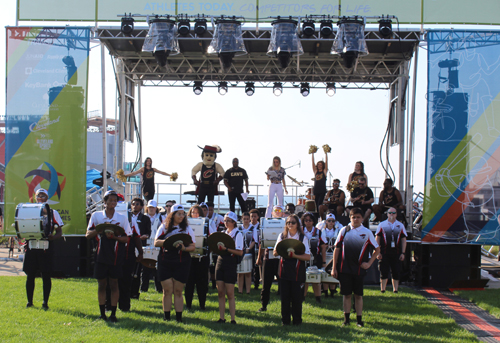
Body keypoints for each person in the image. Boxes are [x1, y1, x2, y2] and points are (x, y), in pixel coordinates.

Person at [86, 190, 132, 322]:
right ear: (104, 202)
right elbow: (88, 235)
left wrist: (115, 237)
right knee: (101, 284)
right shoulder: (96, 216)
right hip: (101, 255)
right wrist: (99, 230)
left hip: (116, 256)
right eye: (110, 200)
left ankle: (113, 313)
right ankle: (102, 313)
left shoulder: (122, 218)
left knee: (114, 284)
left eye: (115, 200)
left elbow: (127, 238)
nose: (113, 203)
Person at [331, 207, 380, 327]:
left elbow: (377, 249)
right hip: (344, 268)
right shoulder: (344, 230)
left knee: (358, 295)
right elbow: (336, 249)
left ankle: (359, 320)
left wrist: (369, 263)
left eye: (358, 217)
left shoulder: (367, 232)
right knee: (346, 294)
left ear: (362, 218)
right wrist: (334, 267)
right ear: (350, 218)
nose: (356, 219)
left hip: (359, 269)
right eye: (353, 217)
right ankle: (346, 320)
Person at [154, 204, 196, 322]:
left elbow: (193, 246)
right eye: (179, 214)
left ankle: (179, 318)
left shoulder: (187, 229)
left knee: (178, 291)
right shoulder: (163, 227)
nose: (181, 216)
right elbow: (156, 242)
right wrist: (168, 242)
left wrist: (184, 248)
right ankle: (166, 317)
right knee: (167, 290)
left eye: (183, 214)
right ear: (172, 215)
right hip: (165, 260)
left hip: (182, 262)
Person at [23, 188, 63, 310]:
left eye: (43, 196)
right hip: (32, 246)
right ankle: (29, 302)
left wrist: (52, 237)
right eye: (38, 196)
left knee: (46, 275)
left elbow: (59, 232)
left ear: (47, 198)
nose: (40, 198)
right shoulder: (28, 211)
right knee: (30, 275)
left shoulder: (53, 212)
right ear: (35, 197)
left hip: (46, 247)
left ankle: (45, 302)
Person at [273, 214, 310, 326]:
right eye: (288, 222)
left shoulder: (303, 238)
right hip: (284, 271)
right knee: (285, 297)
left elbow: (307, 256)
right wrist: (283, 250)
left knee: (297, 298)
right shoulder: (282, 236)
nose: (290, 224)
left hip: (297, 271)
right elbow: (275, 252)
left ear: (297, 224)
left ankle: (297, 321)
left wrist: (294, 256)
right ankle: (285, 320)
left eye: (293, 222)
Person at [215, 211, 244, 324]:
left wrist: (226, 249)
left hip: (230, 262)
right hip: (220, 261)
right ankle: (221, 317)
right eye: (225, 220)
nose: (225, 223)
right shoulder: (223, 233)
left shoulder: (238, 234)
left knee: (230, 293)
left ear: (234, 222)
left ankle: (233, 318)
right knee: (220, 292)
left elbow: (240, 252)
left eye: (228, 221)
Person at [257, 205, 283, 312]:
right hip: (268, 257)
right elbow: (262, 242)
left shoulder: (286, 224)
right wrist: (259, 257)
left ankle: (285, 306)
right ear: (271, 213)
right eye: (275, 211)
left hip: (281, 258)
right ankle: (264, 305)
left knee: (283, 283)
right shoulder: (267, 224)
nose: (277, 212)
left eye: (279, 210)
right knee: (266, 284)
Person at [185, 204, 210, 310]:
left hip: (201, 258)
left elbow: (211, 236)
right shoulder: (185, 224)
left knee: (202, 283)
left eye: (197, 212)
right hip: (189, 257)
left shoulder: (206, 222)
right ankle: (188, 304)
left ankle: (202, 305)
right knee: (189, 282)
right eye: (193, 212)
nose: (195, 214)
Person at [376, 207, 407, 293]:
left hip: (396, 252)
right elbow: (377, 238)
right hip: (384, 252)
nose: (392, 215)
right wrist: (378, 251)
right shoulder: (382, 225)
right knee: (383, 271)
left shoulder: (400, 225)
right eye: (390, 213)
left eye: (393, 213)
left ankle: (395, 290)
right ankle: (382, 289)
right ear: (387, 214)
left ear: (396, 214)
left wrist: (403, 253)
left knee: (396, 271)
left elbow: (403, 239)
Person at [129, 198, 151, 301]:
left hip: (140, 245)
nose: (135, 206)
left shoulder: (145, 219)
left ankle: (135, 292)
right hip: (129, 246)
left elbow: (148, 232)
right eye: (133, 204)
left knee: (138, 271)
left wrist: (145, 236)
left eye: (137, 204)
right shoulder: (127, 217)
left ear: (142, 206)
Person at [301, 212, 323, 304]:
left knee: (315, 278)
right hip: (303, 257)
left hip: (315, 257)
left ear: (313, 221)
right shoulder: (300, 230)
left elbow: (323, 246)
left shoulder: (318, 231)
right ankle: (302, 297)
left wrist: (324, 261)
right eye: (306, 220)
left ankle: (318, 298)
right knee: (303, 278)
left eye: (310, 220)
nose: (308, 222)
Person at [143, 200, 164, 293]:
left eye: (153, 207)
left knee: (157, 267)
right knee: (145, 267)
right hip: (146, 243)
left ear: (156, 208)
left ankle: (159, 288)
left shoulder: (160, 218)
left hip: (156, 244)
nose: (151, 209)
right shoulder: (143, 217)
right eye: (150, 207)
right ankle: (143, 287)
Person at [319, 213, 341, 298]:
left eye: (332, 221)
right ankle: (325, 291)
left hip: (333, 254)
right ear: (326, 222)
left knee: (332, 271)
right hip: (325, 253)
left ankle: (332, 291)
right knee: (325, 272)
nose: (331, 223)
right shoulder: (321, 231)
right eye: (329, 221)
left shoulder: (338, 230)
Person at [237, 212, 258, 294]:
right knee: (240, 272)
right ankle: (240, 290)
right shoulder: (238, 228)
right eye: (244, 219)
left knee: (248, 272)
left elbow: (254, 240)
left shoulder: (253, 229)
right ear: (242, 219)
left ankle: (248, 291)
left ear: (250, 219)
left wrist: (249, 248)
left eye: (247, 219)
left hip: (249, 252)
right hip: (240, 252)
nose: (246, 220)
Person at [207, 201, 224, 289]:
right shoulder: (204, 219)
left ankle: (214, 283)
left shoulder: (219, 218)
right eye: (208, 210)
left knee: (213, 264)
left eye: (211, 210)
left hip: (216, 243)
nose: (209, 212)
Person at [249, 209, 261, 290]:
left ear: (258, 217)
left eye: (255, 216)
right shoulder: (248, 226)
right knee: (250, 265)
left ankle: (256, 283)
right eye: (251, 216)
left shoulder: (260, 226)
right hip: (250, 247)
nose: (253, 218)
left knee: (257, 265)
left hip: (258, 247)